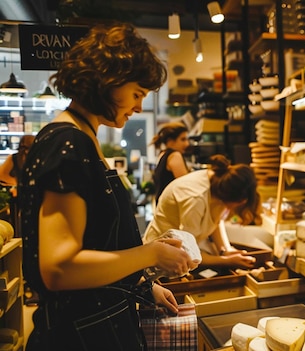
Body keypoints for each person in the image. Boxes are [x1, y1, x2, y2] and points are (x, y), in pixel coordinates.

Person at [18, 23, 196, 351]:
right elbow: (60, 268)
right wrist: (150, 254)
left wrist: (141, 285)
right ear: (107, 81)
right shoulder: (68, 144)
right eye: (137, 94)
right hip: (80, 335)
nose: (140, 106)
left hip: (102, 322)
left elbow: (97, 242)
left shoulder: (83, 137)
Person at [144, 154, 261, 270]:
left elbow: (215, 218)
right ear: (240, 201)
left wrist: (225, 249)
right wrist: (226, 261)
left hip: (181, 251)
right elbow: (189, 254)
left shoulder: (219, 182)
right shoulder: (195, 199)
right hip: (160, 256)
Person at [150, 121, 190, 204]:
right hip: (171, 207)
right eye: (183, 139)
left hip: (162, 205)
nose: (187, 144)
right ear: (170, 141)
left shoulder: (162, 154)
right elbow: (186, 186)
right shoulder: (175, 155)